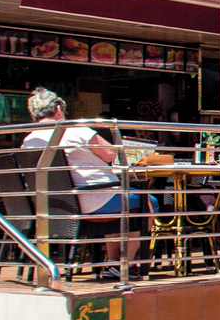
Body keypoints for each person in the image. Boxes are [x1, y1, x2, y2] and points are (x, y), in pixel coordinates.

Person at [22, 88, 149, 282]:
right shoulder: (75, 129)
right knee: (146, 202)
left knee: (124, 203)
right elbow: (110, 154)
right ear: (58, 109)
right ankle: (125, 263)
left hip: (55, 206)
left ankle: (114, 263)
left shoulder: (29, 141)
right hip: (93, 199)